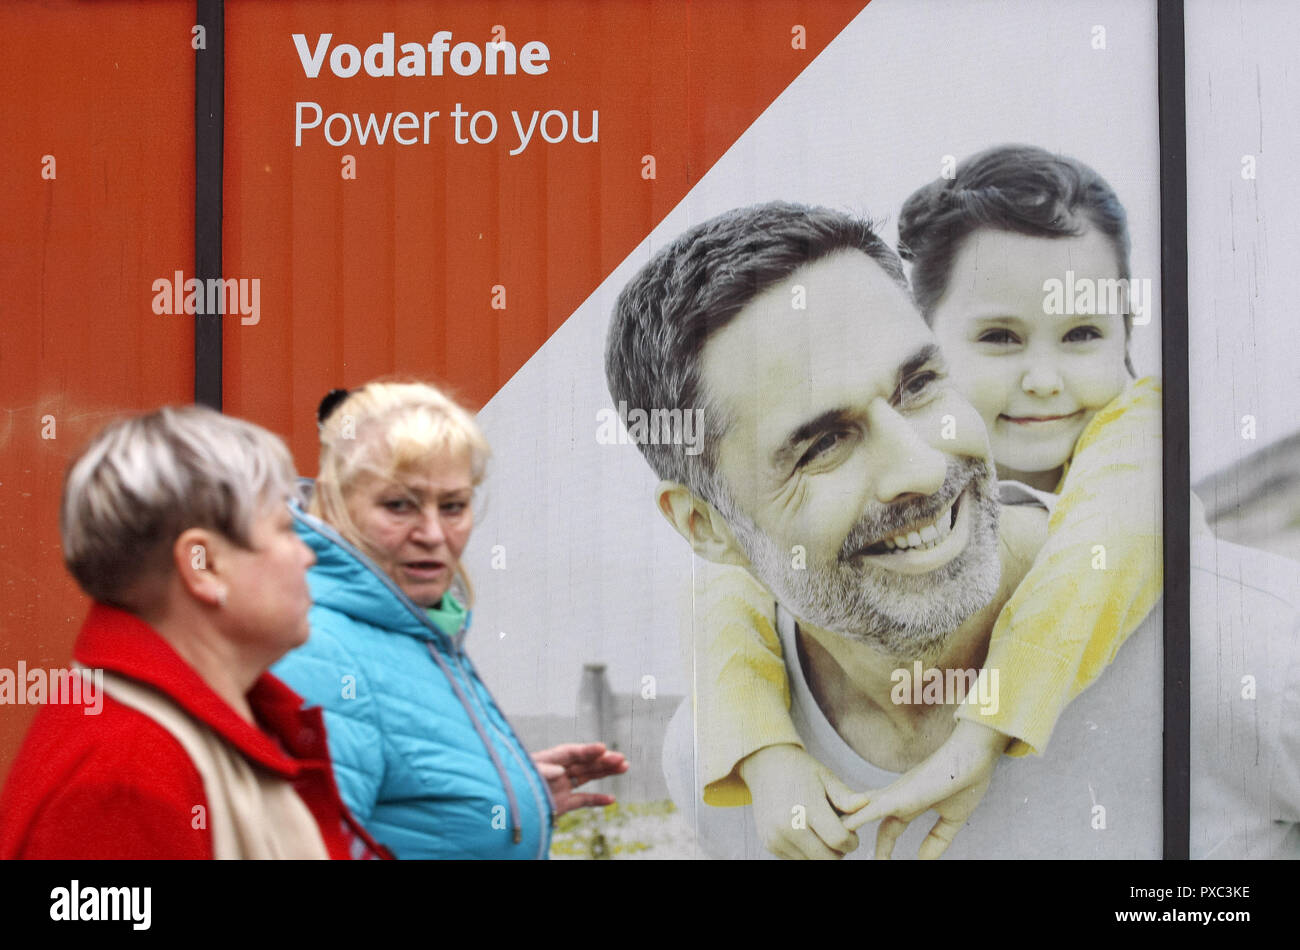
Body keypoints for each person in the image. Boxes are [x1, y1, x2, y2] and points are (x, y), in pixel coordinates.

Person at [605, 201, 1300, 858]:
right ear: (705, 526)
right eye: (822, 444)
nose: (921, 467)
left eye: (919, 386)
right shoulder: (718, 769)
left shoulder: (1254, 659)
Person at [686, 146, 1163, 859]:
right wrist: (766, 752)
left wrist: (981, 731)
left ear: (1129, 333)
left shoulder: (1144, 437)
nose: (1043, 378)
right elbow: (729, 584)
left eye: (1084, 334)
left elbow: (1098, 557)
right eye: (999, 338)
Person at [0, 406, 386, 859]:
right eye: (286, 529)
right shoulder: (126, 781)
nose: (308, 556)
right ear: (203, 566)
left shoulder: (179, 735)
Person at [272, 381, 627, 859]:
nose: (434, 534)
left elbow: (405, 803)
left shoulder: (416, 627)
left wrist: (506, 793)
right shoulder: (321, 653)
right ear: (335, 505)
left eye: (454, 506)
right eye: (399, 505)